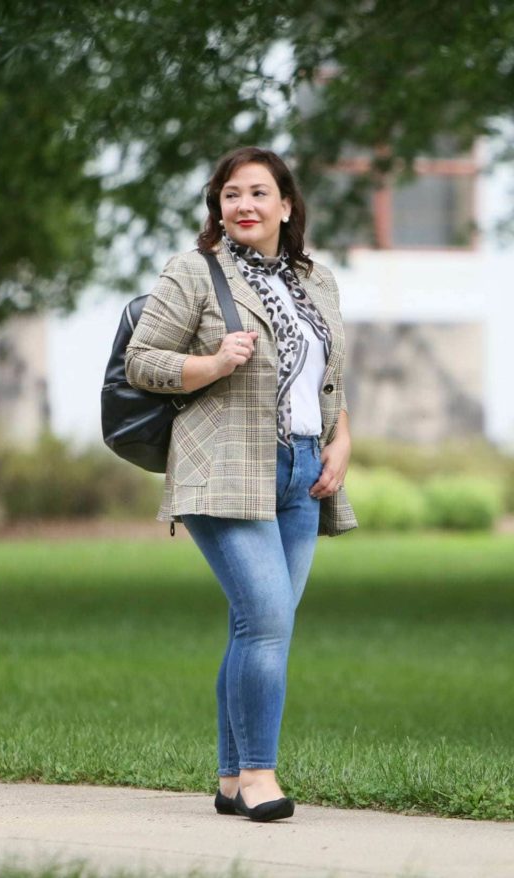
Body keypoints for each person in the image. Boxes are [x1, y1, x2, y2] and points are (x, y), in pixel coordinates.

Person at [125, 146, 357, 823]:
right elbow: (141, 361)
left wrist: (341, 440)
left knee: (260, 625)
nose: (245, 206)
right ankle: (259, 774)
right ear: (217, 208)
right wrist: (209, 363)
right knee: (266, 621)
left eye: (259, 193)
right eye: (232, 194)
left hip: (302, 472)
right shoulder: (195, 273)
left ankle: (230, 781)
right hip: (223, 468)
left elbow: (329, 376)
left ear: (287, 205)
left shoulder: (318, 280)